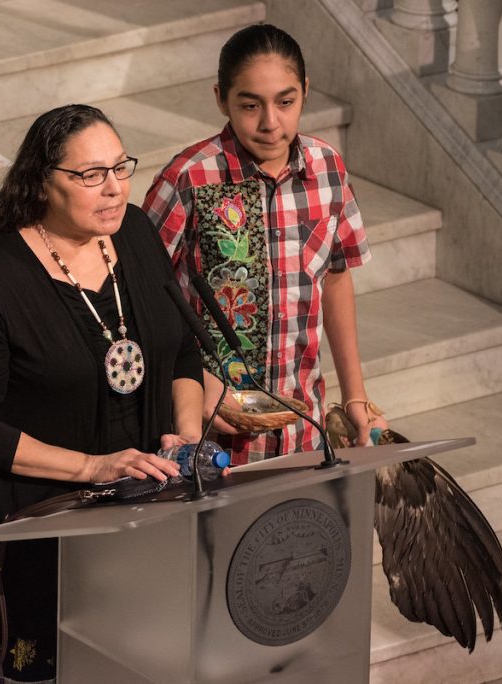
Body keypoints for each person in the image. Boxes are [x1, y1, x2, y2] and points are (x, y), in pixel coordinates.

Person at [0, 104, 204, 683]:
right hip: (27, 516)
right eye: (91, 175)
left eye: (121, 168)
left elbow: (181, 352)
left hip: (132, 507)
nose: (116, 188)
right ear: (43, 182)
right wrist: (95, 466)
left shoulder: (138, 236)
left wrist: (186, 435)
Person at [143, 23, 387, 465]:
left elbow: (335, 281)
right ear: (221, 99)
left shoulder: (327, 168)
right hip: (207, 431)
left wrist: (356, 397)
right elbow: (140, 294)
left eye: (286, 102)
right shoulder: (190, 177)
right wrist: (193, 380)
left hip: (302, 428)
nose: (270, 123)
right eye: (250, 105)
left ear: (305, 92)